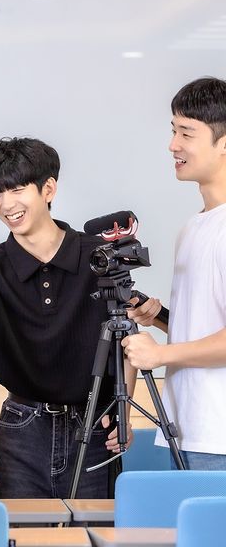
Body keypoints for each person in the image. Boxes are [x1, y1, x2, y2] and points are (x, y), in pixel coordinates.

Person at [0, 136, 134, 499]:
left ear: (48, 189)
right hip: (22, 428)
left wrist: (123, 409)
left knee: (93, 528)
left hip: (93, 423)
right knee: (21, 528)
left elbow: (127, 336)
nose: (6, 204)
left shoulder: (101, 257)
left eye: (16, 189)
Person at [123, 77, 226, 470]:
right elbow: (209, 328)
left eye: (187, 133)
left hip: (218, 436)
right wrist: (163, 319)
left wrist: (161, 354)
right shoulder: (193, 227)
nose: (173, 145)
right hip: (186, 429)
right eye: (173, 131)